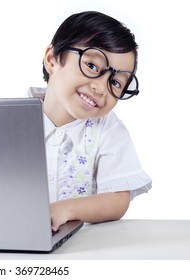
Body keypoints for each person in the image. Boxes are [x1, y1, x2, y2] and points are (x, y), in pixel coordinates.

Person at [41, 11, 152, 232]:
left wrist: (65, 210)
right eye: (92, 66)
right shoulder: (12, 120)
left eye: (116, 82)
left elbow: (117, 200)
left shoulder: (108, 129)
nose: (101, 88)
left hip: (84, 246)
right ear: (52, 60)